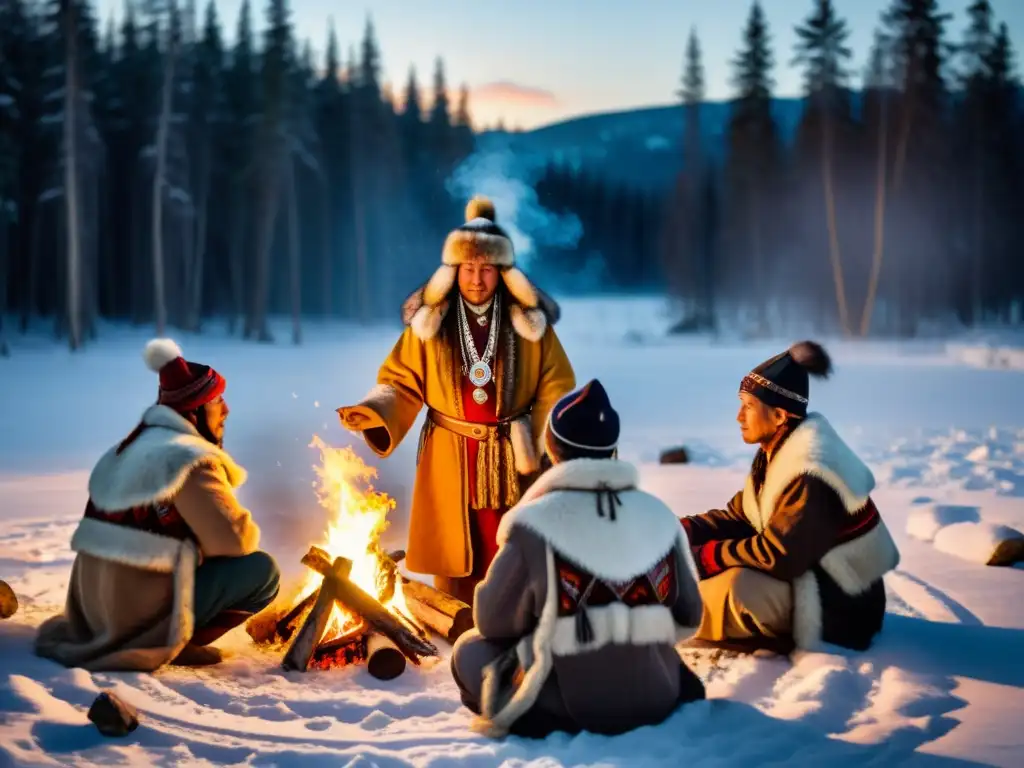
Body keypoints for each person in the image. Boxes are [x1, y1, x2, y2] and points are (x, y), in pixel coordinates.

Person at [337, 196, 576, 605]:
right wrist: (375, 412)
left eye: (486, 270)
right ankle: (454, 613)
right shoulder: (430, 325)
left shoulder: (529, 325)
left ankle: (513, 610)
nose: (477, 280)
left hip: (513, 458)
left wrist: (542, 440)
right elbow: (401, 381)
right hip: (450, 455)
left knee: (510, 542)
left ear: (502, 272)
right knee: (456, 544)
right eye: (468, 269)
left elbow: (556, 384)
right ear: (454, 270)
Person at [451, 380, 706, 739]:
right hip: (658, 695)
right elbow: (690, 616)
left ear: (553, 451)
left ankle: (539, 719)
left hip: (577, 704)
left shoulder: (535, 524)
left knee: (469, 651)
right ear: (612, 450)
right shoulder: (659, 516)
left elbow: (493, 623)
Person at [34, 339, 281, 671]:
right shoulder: (187, 458)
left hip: (93, 612)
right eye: (217, 400)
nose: (226, 410)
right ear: (193, 411)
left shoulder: (131, 446)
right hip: (135, 618)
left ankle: (153, 631)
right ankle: (175, 643)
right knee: (262, 572)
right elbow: (235, 540)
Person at [682, 341, 900, 654]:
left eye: (748, 406)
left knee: (733, 587)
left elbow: (779, 555)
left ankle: (659, 621)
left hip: (842, 611)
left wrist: (707, 557)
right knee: (714, 577)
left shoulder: (811, 471)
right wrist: (678, 532)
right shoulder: (777, 453)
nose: (738, 416)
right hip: (813, 585)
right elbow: (740, 517)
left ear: (780, 416)